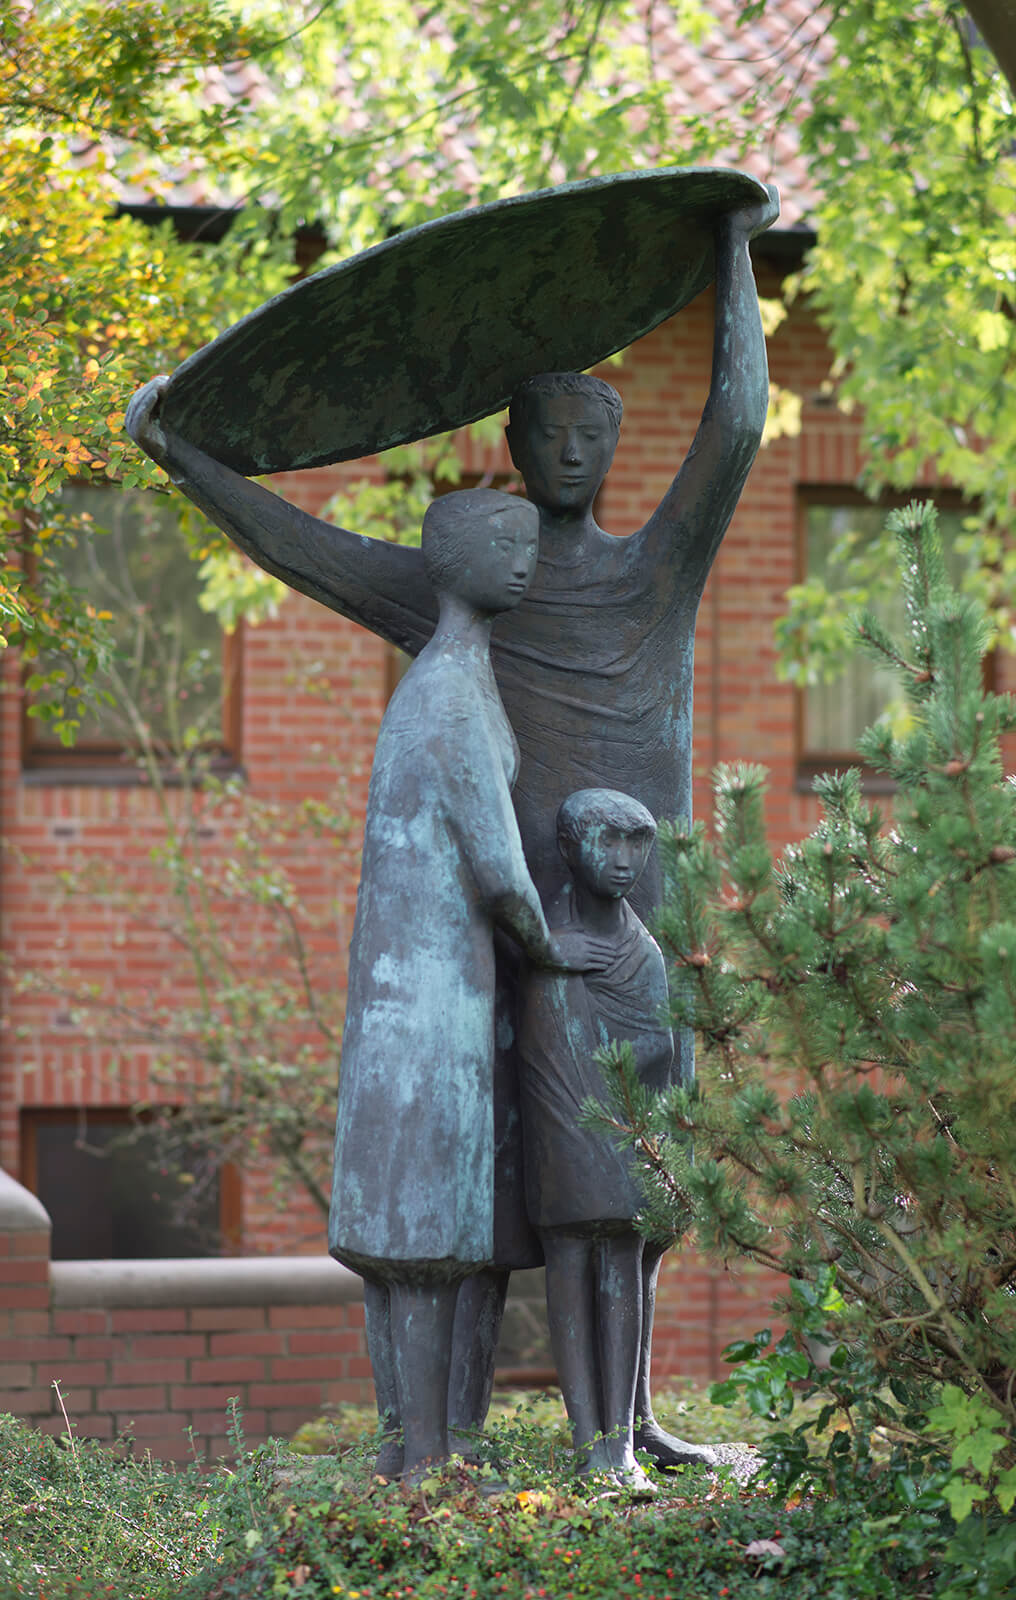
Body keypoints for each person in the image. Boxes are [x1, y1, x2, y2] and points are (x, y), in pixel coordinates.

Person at [124, 181, 779, 1470]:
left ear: (611, 438)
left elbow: (740, 423)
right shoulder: (467, 586)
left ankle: (629, 1422)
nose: (570, 455)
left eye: (589, 430)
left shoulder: (658, 569)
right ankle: (446, 1443)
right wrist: (181, 454)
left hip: (633, 911)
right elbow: (295, 545)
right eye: (543, 433)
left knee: (638, 1196)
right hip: (513, 931)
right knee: (493, 1193)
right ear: (517, 451)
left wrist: (732, 251)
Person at [325, 486, 608, 1478]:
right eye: (503, 541)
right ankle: (427, 1453)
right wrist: (549, 944)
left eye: (530, 540)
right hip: (436, 996)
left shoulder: (450, 681)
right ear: (449, 559)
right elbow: (496, 863)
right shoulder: (449, 692)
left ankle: (423, 1442)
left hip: (422, 993)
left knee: (434, 1228)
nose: (523, 557)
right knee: (430, 1230)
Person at [518, 789, 672, 1491]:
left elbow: (656, 1049)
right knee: (571, 1267)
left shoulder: (645, 953)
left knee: (622, 1266)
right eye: (608, 843)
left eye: (636, 844)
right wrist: (548, 960)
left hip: (626, 1132)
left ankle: (624, 1448)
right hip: (561, 1135)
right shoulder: (543, 941)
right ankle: (593, 1445)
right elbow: (537, 1047)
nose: (623, 862)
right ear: (571, 848)